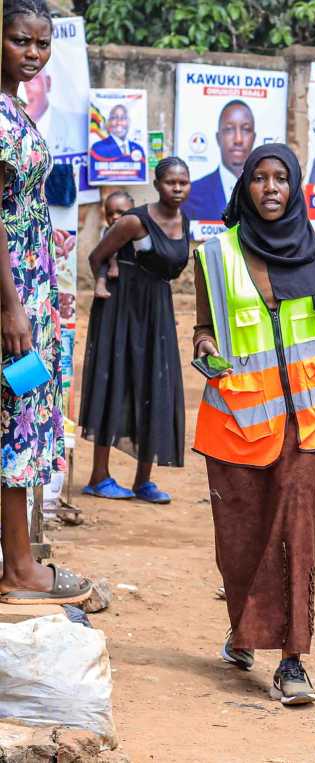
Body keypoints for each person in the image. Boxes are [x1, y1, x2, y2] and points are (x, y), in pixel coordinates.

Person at [192, 144, 315, 706]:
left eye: (280, 178)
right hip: (238, 420)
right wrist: (204, 347)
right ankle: (244, 629)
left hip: (305, 422)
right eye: (259, 178)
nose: (270, 188)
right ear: (245, 188)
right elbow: (204, 327)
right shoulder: (214, 254)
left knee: (296, 535)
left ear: (294, 185)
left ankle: (292, 661)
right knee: (241, 539)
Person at [0, 0, 92, 605]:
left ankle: (18, 561)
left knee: (19, 414)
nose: (33, 53)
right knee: (15, 421)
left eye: (41, 43)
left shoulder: (15, 107)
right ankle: (20, 572)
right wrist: (10, 307)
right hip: (10, 296)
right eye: (19, 41)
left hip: (28, 290)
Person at [78, 159, 192, 504]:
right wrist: (107, 285)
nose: (177, 188)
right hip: (121, 307)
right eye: (170, 182)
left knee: (155, 385)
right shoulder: (134, 221)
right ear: (156, 185)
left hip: (157, 309)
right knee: (115, 382)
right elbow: (96, 257)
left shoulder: (185, 222)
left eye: (183, 182)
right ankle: (99, 477)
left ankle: (144, 481)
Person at [182, 99, 256, 222]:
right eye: (229, 129)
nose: (238, 139)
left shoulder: (266, 192)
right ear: (218, 138)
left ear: (254, 138)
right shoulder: (191, 194)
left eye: (245, 129)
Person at [94, 190, 133, 299]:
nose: (115, 217)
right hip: (111, 267)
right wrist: (114, 265)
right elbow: (109, 251)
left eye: (120, 212)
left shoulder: (137, 229)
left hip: (132, 270)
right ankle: (100, 284)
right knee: (102, 261)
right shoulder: (107, 231)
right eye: (109, 214)